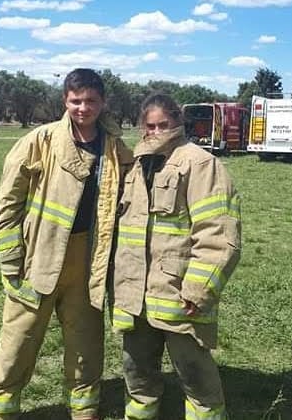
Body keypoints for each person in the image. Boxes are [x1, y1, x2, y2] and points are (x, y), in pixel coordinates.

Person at [0, 69, 133, 420]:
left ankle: (84, 408)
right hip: (39, 258)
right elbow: (8, 206)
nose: (83, 108)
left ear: (102, 102)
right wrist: (11, 259)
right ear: (65, 100)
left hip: (88, 259)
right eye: (76, 100)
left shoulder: (113, 146)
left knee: (86, 343)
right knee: (18, 340)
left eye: (91, 100)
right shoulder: (39, 141)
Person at [112, 93, 241, 420]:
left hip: (180, 294)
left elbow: (219, 234)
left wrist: (200, 289)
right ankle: (142, 412)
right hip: (135, 293)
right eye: (150, 126)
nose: (156, 132)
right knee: (136, 366)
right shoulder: (135, 165)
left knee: (194, 369)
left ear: (178, 124)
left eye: (164, 125)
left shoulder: (199, 164)